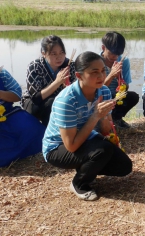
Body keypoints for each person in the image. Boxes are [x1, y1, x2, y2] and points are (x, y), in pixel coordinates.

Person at [42, 52, 132, 201]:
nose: (101, 76)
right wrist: (95, 116)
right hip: (58, 147)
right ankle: (79, 183)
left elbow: (105, 131)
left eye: (103, 70)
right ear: (79, 76)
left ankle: (85, 165)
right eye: (94, 72)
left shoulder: (103, 91)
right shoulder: (66, 101)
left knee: (124, 166)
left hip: (86, 139)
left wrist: (103, 116)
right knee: (103, 150)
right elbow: (71, 146)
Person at [21, 35, 76, 125]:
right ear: (44, 53)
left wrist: (68, 87)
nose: (59, 57)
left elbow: (75, 90)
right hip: (34, 102)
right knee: (51, 102)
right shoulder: (35, 66)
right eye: (54, 54)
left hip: (60, 100)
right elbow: (36, 97)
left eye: (62, 52)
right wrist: (57, 82)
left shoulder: (70, 65)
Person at [0, 67, 46, 167]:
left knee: (33, 129)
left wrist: (1, 94)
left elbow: (17, 95)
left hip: (8, 114)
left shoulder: (2, 73)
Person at [100, 31, 139, 129]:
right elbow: (95, 90)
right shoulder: (96, 62)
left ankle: (117, 119)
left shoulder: (124, 61)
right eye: (112, 53)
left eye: (118, 54)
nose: (115, 57)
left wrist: (120, 79)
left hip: (116, 95)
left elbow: (126, 87)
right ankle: (104, 121)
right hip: (101, 96)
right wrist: (111, 75)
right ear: (103, 48)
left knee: (133, 97)